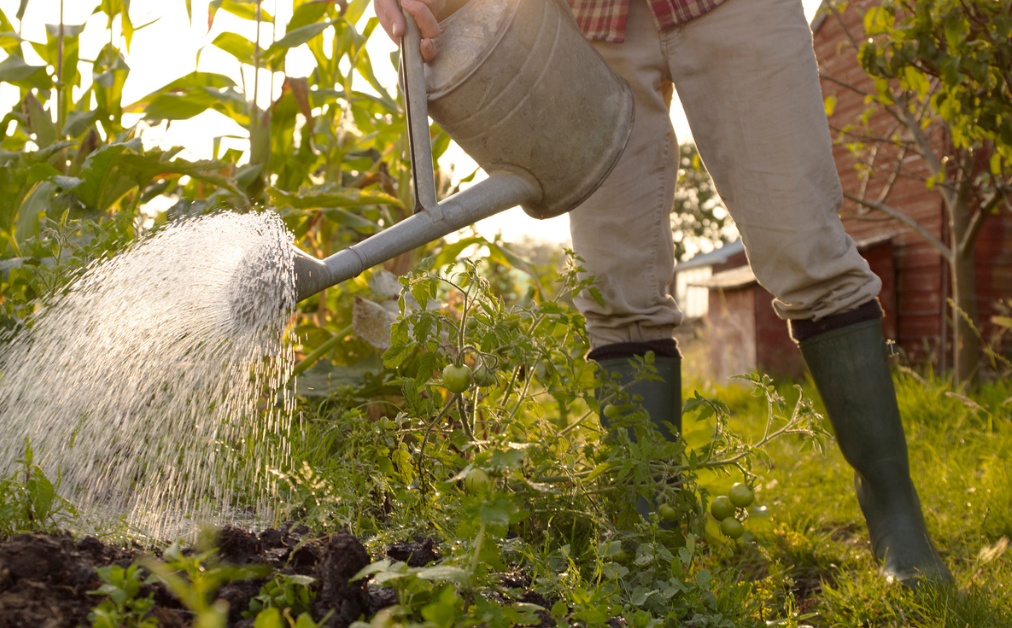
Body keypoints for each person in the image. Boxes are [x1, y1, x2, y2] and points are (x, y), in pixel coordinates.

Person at [375, 0, 952, 587]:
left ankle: (894, 513)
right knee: (615, 286)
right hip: (585, 22)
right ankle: (647, 539)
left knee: (805, 250)